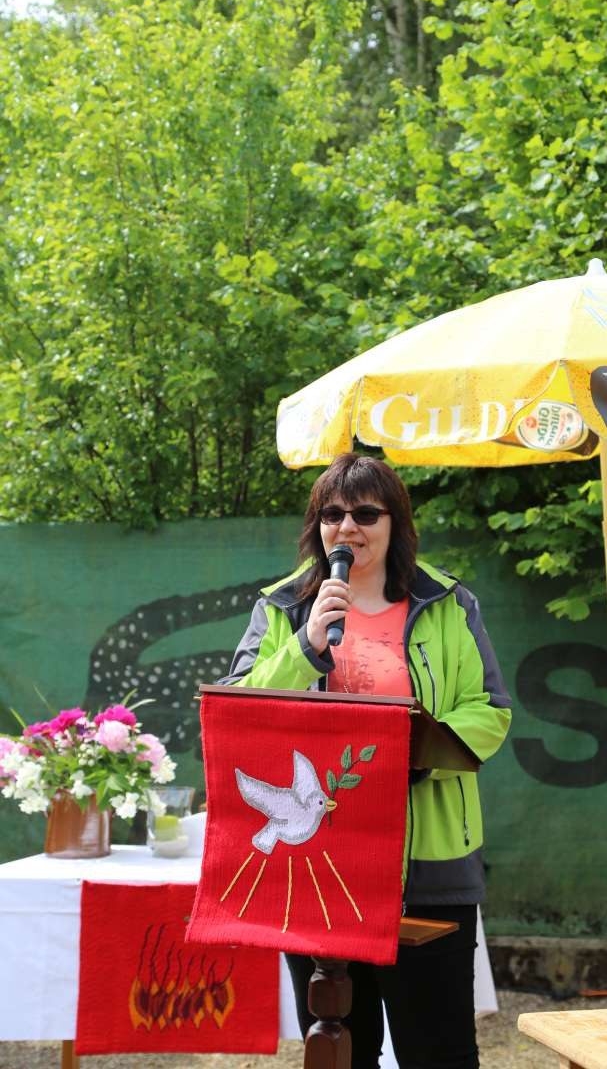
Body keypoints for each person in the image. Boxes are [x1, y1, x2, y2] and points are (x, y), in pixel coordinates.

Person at [222, 453, 512, 1069]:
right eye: (332, 514)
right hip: (319, 859)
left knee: (439, 1051)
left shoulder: (449, 603)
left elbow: (489, 709)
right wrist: (303, 646)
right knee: (340, 1048)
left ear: (395, 522)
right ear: (317, 526)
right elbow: (238, 709)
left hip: (429, 861)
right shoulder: (283, 607)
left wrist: (412, 758)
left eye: (365, 513)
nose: (347, 528)